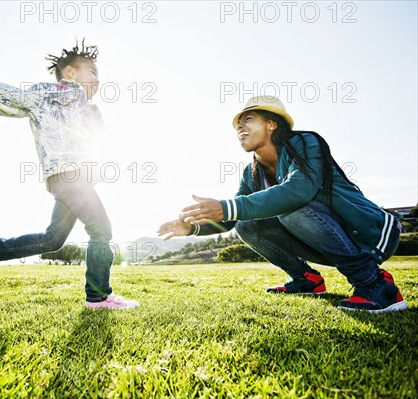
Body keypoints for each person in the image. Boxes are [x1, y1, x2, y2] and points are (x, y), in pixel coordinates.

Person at [158, 96, 407, 313]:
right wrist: (192, 229)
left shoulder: (306, 143)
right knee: (247, 226)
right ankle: (306, 279)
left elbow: (298, 191)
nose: (240, 128)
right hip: (323, 240)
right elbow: (233, 219)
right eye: (237, 125)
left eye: (248, 120)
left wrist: (228, 206)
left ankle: (375, 285)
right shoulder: (251, 172)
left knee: (288, 206)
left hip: (368, 234)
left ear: (272, 123)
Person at [0, 40, 139, 310]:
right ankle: (98, 297)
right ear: (70, 72)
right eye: (92, 72)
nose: (98, 80)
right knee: (101, 230)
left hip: (74, 179)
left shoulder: (89, 110)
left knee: (53, 240)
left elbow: (96, 151)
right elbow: (10, 95)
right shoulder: (48, 95)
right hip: (66, 177)